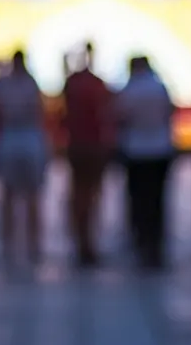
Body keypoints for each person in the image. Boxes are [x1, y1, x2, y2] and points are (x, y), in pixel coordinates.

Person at [0, 51, 49, 264]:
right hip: (19, 138)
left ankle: (28, 243)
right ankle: (16, 243)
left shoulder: (16, 84)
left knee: (25, 194)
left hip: (18, 138)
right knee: (14, 194)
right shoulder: (14, 85)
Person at [115, 56, 175, 270]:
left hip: (136, 151)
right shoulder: (159, 88)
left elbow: (120, 118)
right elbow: (170, 114)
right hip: (159, 150)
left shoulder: (129, 90)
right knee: (157, 201)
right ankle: (155, 244)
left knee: (139, 201)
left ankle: (141, 242)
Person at [62, 43, 112, 268]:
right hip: (92, 146)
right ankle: (87, 242)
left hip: (79, 145)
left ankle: (83, 241)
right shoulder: (97, 84)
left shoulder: (73, 83)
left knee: (80, 195)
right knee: (90, 195)